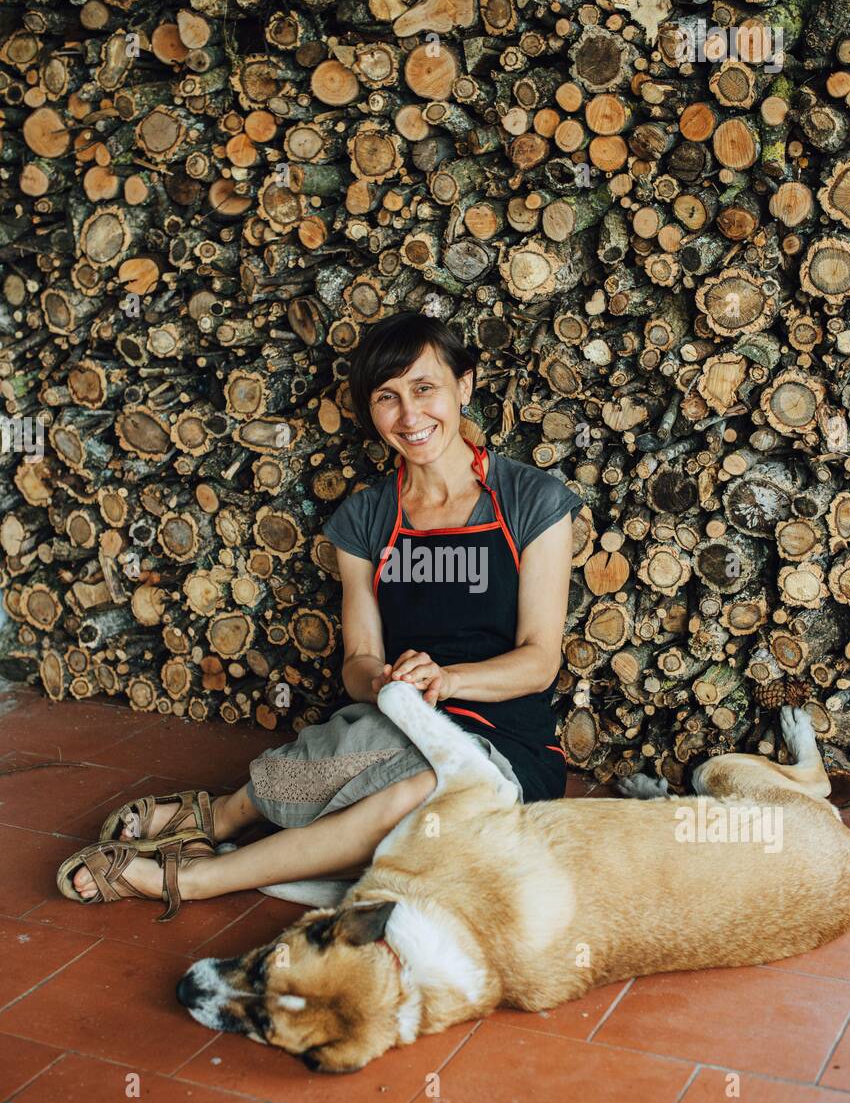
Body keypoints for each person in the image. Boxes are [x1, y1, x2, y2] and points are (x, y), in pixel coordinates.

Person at [64, 310, 581, 914]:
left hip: (506, 738)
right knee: (348, 756)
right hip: (396, 715)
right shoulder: (364, 518)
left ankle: (198, 877)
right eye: (387, 398)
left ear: (463, 386)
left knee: (425, 791)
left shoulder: (532, 501)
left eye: (424, 388)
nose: (410, 417)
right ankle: (222, 816)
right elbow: (359, 661)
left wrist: (448, 680)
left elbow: (540, 661)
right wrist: (387, 684)